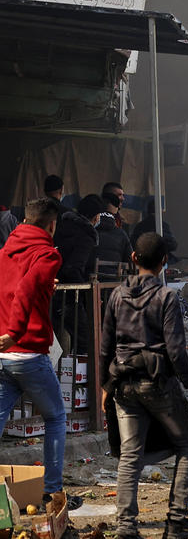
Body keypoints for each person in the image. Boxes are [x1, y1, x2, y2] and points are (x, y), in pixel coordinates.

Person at [100, 232, 188, 539]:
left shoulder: (117, 295)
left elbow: (105, 346)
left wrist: (105, 387)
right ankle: (176, 522)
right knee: (187, 444)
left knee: (130, 455)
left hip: (123, 385)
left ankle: (125, 528)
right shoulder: (167, 297)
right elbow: (176, 351)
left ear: (133, 259)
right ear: (163, 263)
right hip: (158, 384)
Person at [0, 198, 83, 511]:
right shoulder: (48, 254)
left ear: (23, 221)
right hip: (27, 351)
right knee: (56, 417)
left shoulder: (5, 251)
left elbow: (15, 287)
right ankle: (51, 491)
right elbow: (24, 289)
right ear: (52, 225)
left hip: (4, 355)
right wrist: (16, 331)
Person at [53, 194, 104, 353]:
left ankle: (65, 375)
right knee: (85, 340)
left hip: (51, 291)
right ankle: (83, 377)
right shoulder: (85, 236)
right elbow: (73, 268)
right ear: (96, 217)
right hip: (69, 296)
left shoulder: (62, 226)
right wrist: (84, 293)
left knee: (58, 340)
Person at [132, 198, 179, 263]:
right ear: (160, 211)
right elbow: (173, 245)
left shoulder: (139, 226)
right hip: (160, 261)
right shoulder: (163, 226)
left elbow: (133, 245)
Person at [96, 192, 133, 271]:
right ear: (115, 211)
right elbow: (130, 262)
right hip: (114, 280)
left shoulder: (87, 231)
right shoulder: (121, 234)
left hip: (88, 279)